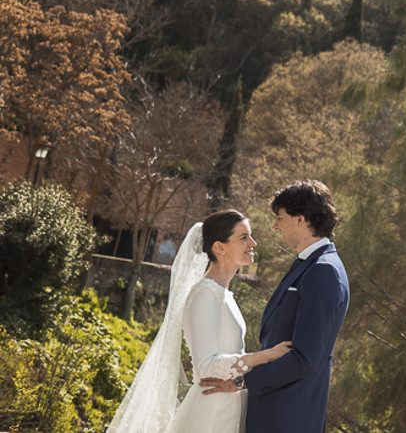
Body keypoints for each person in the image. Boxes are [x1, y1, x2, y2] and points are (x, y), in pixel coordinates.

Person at [107, 210, 291, 433]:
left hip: (229, 405)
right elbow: (206, 367)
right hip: (212, 412)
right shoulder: (205, 294)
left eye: (250, 236)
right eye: (244, 237)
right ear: (219, 247)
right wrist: (266, 356)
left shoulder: (222, 293)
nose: (253, 243)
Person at [201, 179, 349, 433]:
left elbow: (304, 359)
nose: (275, 225)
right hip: (275, 411)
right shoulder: (310, 264)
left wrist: (241, 382)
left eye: (280, 218)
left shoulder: (323, 271)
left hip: (288, 416)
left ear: (300, 220)